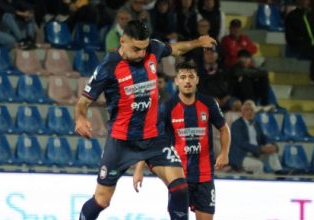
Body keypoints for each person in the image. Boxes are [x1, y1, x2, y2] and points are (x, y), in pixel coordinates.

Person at [75, 20, 217, 220]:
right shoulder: (108, 67)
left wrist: (198, 42)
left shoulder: (152, 49)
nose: (141, 53)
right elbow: (82, 103)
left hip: (154, 139)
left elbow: (175, 49)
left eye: (144, 48)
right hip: (121, 143)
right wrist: (81, 118)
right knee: (102, 200)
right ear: (122, 41)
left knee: (180, 188)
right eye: (136, 49)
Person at [134, 61, 231, 220]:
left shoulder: (208, 103)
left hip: (204, 177)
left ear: (197, 80)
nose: (187, 81)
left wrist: (224, 152)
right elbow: (151, 136)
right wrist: (139, 168)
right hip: (178, 177)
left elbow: (224, 128)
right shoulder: (167, 107)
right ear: (176, 81)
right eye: (183, 77)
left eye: (191, 77)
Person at [229, 100, 283, 175]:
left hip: (255, 153)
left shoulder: (256, 124)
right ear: (242, 112)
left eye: (252, 110)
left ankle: (279, 173)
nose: (250, 112)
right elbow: (242, 143)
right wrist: (260, 149)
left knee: (272, 152)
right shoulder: (237, 125)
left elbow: (264, 137)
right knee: (258, 165)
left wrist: (273, 146)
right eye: (247, 110)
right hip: (241, 156)